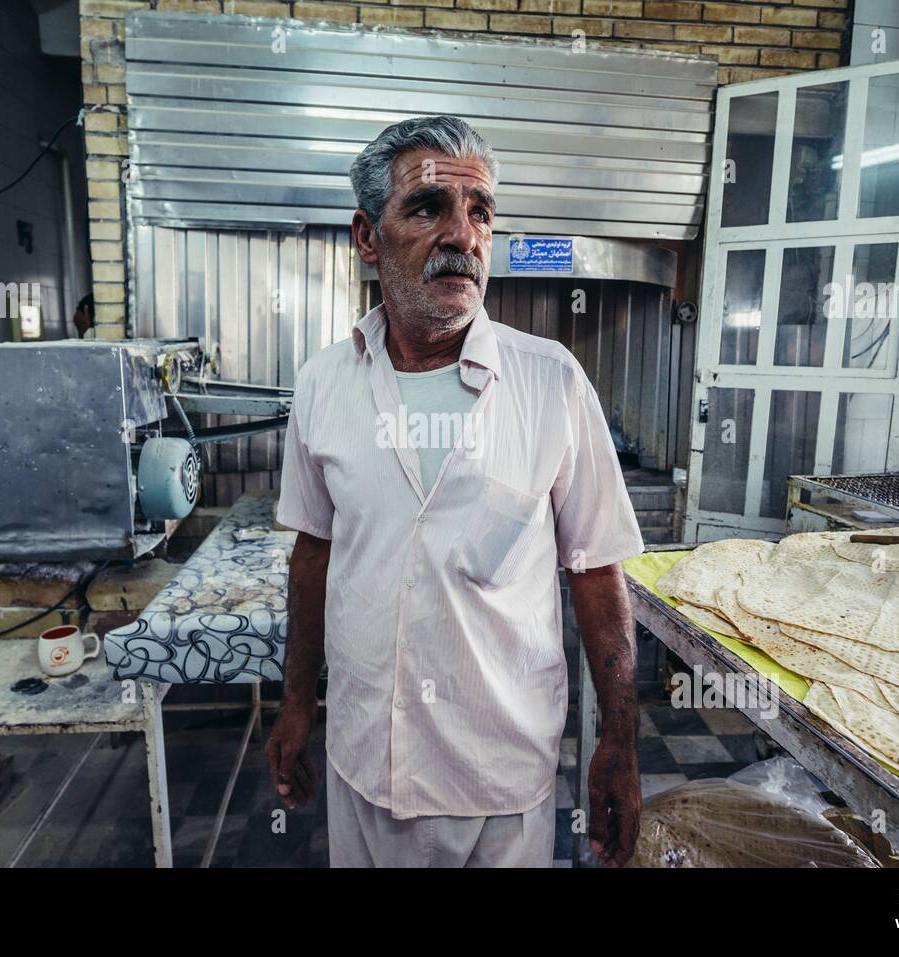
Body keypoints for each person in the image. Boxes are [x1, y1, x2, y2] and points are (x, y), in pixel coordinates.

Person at [268, 116, 644, 868]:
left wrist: (620, 740)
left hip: (500, 788)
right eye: (428, 207)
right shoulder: (322, 385)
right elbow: (314, 557)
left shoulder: (550, 383)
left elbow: (597, 575)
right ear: (367, 236)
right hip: (363, 766)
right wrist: (295, 704)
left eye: (480, 213)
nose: (464, 236)